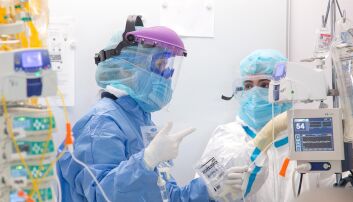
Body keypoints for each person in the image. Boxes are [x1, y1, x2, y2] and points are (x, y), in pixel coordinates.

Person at [56, 16, 223, 201]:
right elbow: (102, 195)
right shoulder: (101, 124)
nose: (166, 76)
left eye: (167, 67)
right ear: (127, 70)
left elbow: (166, 196)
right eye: (160, 65)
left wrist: (210, 190)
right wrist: (146, 161)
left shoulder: (140, 121)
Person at [199, 49, 338, 202]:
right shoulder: (226, 136)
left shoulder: (312, 135)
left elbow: (339, 190)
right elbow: (205, 192)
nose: (254, 93)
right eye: (248, 86)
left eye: (265, 85)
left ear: (286, 88)